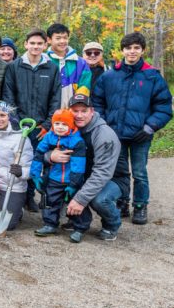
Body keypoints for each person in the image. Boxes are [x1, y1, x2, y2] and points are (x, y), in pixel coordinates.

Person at [92, 32, 172, 225]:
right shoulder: (110, 76)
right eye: (128, 48)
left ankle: (140, 205)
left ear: (143, 50)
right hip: (115, 135)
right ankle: (121, 202)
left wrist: (149, 127)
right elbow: (97, 102)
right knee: (119, 173)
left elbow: (163, 107)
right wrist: (104, 126)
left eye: (136, 48)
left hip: (141, 135)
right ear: (122, 51)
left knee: (139, 173)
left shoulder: (152, 76)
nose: (132, 52)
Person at [2, 28, 61, 212]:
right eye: (32, 43)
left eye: (39, 44)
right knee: (17, 161)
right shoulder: (14, 67)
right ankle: (17, 199)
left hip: (41, 127)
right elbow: (8, 96)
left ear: (45, 45)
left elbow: (55, 98)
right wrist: (17, 121)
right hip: (19, 126)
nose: (35, 46)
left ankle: (31, 198)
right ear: (26, 44)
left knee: (36, 162)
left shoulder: (52, 68)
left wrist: (47, 123)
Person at [51, 94, 123, 241]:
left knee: (98, 199)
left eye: (83, 111)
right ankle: (75, 219)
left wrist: (81, 199)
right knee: (55, 180)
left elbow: (103, 173)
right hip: (82, 175)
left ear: (92, 111)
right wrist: (50, 156)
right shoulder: (65, 128)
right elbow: (45, 147)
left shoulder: (103, 134)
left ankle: (112, 224)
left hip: (112, 179)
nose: (79, 115)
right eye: (75, 111)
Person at [30, 109, 87, 240]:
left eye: (64, 124)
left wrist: (73, 184)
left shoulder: (77, 141)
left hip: (70, 179)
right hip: (54, 178)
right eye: (57, 124)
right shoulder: (49, 137)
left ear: (71, 125)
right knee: (50, 201)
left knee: (74, 202)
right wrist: (35, 175)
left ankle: (79, 228)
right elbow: (38, 155)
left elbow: (78, 165)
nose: (60, 127)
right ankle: (50, 224)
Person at [0, 101, 33, 231]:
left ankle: (17, 209)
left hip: (13, 185)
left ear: (9, 116)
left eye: (2, 115)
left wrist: (21, 172)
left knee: (8, 226)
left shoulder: (20, 138)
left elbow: (31, 168)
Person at [46, 22, 91, 104]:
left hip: (74, 111)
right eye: (58, 38)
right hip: (48, 112)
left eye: (65, 38)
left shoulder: (80, 63)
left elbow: (84, 87)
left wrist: (76, 107)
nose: (62, 41)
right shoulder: (44, 61)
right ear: (49, 40)